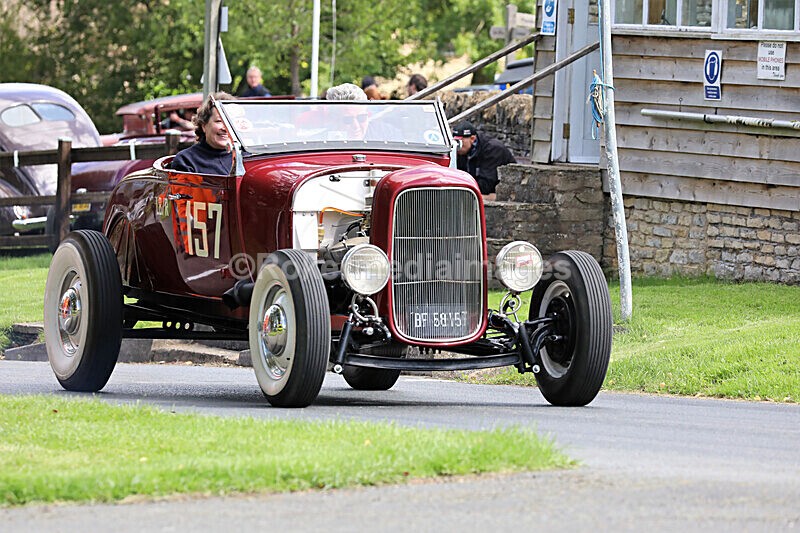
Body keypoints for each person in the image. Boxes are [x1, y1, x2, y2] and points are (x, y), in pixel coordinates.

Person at [171, 92, 234, 175]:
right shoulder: (186, 161)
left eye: (230, 121)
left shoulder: (247, 157)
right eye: (219, 121)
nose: (225, 128)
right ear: (204, 126)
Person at [452, 121, 516, 200]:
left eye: (460, 142)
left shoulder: (493, 149)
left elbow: (486, 185)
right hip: (478, 189)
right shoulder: (462, 151)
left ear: (472, 139)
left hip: (500, 193)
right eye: (455, 142)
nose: (457, 146)